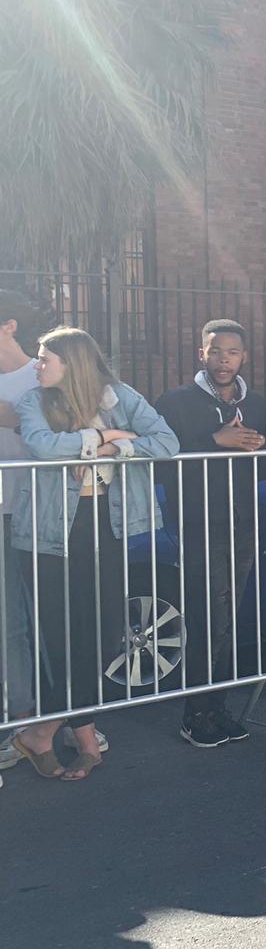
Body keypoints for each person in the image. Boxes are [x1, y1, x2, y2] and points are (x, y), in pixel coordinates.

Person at [8, 328, 178, 782]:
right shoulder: (33, 401)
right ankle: (84, 739)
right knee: (62, 640)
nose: (38, 365)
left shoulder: (120, 396)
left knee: (103, 635)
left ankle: (41, 731)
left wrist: (118, 443)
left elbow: (167, 442)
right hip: (48, 535)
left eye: (46, 358)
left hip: (108, 526)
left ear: (74, 362)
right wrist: (101, 441)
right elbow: (43, 446)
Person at [154, 319, 266, 749]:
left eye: (233, 352)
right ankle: (195, 713)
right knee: (208, 616)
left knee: (229, 615)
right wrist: (214, 440)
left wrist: (256, 446)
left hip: (243, 519)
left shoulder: (256, 402)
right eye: (215, 350)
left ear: (243, 357)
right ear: (200, 353)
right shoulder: (175, 401)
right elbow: (161, 461)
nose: (224, 360)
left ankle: (216, 707)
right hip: (198, 519)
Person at [0, 291, 44, 735]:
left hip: (45, 511)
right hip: (2, 512)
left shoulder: (44, 371)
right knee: (8, 621)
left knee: (55, 618)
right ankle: (23, 720)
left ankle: (71, 718)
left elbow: (63, 420)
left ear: (9, 325)